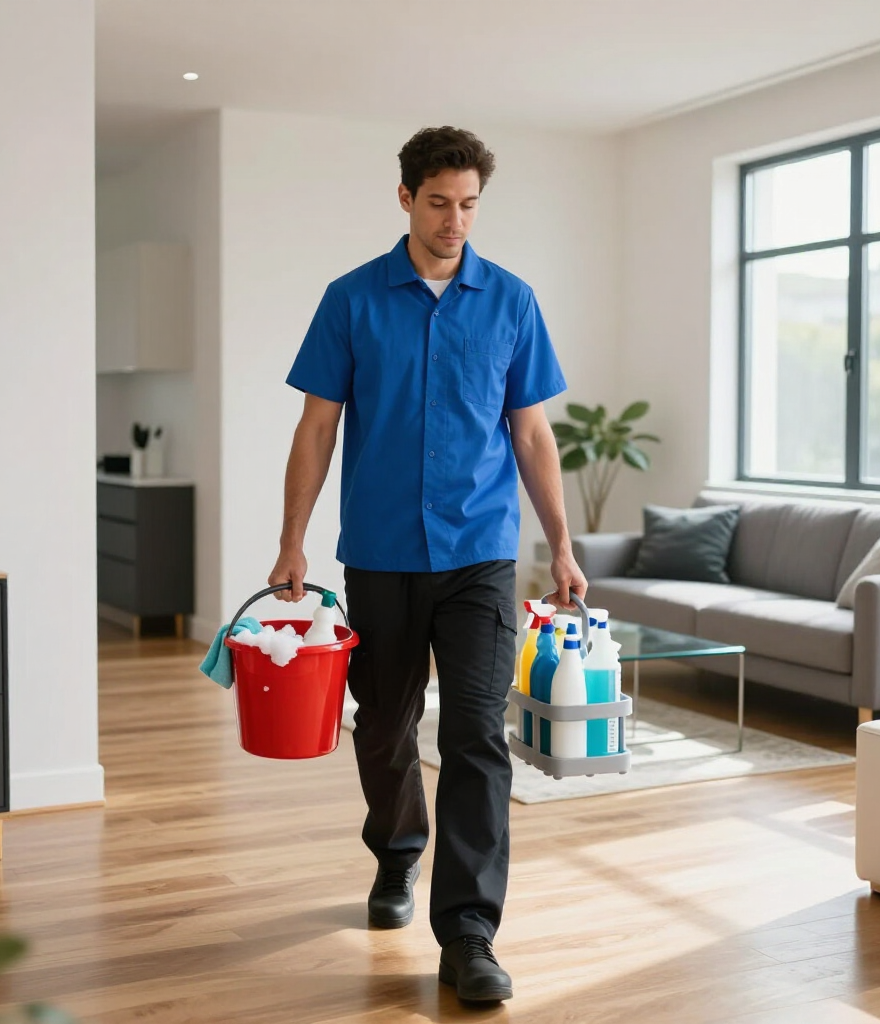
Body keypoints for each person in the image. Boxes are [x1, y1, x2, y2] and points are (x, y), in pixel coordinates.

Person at [269, 125, 587, 1005]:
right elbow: (317, 427)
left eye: (470, 205)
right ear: (406, 197)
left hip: (481, 553)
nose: (456, 221)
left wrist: (560, 546)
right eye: (440, 202)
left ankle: (470, 933)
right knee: (382, 724)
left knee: (477, 735)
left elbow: (531, 433)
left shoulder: (511, 301)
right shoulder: (351, 299)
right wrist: (292, 539)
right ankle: (398, 850)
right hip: (380, 551)